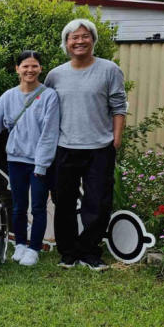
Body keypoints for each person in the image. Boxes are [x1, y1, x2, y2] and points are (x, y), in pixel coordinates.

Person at [44, 19, 127, 271]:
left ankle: (90, 251)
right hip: (65, 146)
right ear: (66, 43)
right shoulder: (55, 75)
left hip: (99, 147)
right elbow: (45, 110)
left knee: (98, 202)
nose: (79, 41)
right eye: (74, 37)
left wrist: (116, 138)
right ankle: (68, 252)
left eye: (85, 36)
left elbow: (119, 106)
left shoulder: (109, 70)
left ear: (93, 40)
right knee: (63, 200)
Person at [0, 50, 60, 266]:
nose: (30, 70)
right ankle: (20, 244)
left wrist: (42, 163)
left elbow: (50, 134)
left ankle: (34, 249)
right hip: (16, 160)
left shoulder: (49, 96)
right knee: (18, 206)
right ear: (17, 69)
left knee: (37, 206)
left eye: (34, 66)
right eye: (25, 66)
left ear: (40, 69)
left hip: (39, 162)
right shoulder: (8, 96)